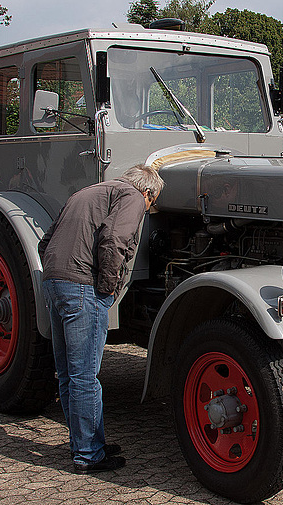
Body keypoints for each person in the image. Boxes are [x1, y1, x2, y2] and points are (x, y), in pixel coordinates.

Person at [38, 163, 164, 473]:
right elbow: (114, 239)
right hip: (82, 286)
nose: (148, 208)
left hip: (55, 280)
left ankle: (83, 443)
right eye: (153, 203)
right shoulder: (133, 196)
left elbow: (45, 241)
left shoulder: (87, 192)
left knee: (68, 372)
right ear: (148, 192)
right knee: (85, 376)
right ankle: (88, 454)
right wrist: (107, 290)